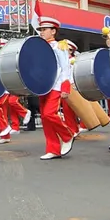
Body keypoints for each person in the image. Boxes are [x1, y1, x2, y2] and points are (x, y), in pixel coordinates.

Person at [34, 17, 75, 160]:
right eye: (41, 30)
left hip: (56, 85)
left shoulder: (60, 46)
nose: (42, 32)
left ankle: (67, 135)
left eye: (44, 29)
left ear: (53, 31)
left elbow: (65, 68)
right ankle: (53, 149)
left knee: (48, 114)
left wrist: (65, 87)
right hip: (43, 86)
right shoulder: (40, 47)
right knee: (45, 119)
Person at [0, 38, 29, 143]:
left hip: (11, 89)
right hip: (4, 90)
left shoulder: (12, 59)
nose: (0, 50)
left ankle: (25, 113)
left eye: (2, 48)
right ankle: (6, 136)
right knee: (2, 111)